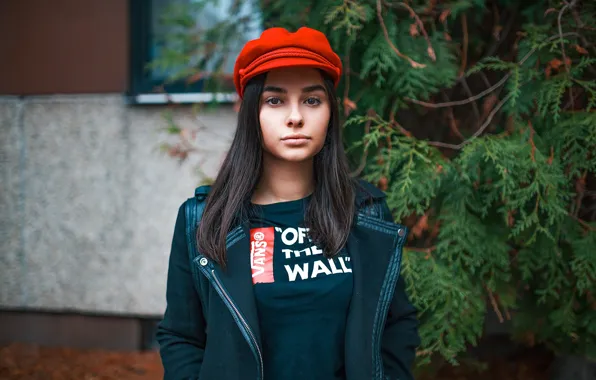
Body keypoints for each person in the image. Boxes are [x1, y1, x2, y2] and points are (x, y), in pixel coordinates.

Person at [156, 26, 420, 380]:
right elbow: (180, 336)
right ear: (252, 113)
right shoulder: (203, 221)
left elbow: (396, 323)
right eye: (275, 100)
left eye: (312, 100)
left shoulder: (366, 213)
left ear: (330, 113)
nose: (295, 117)